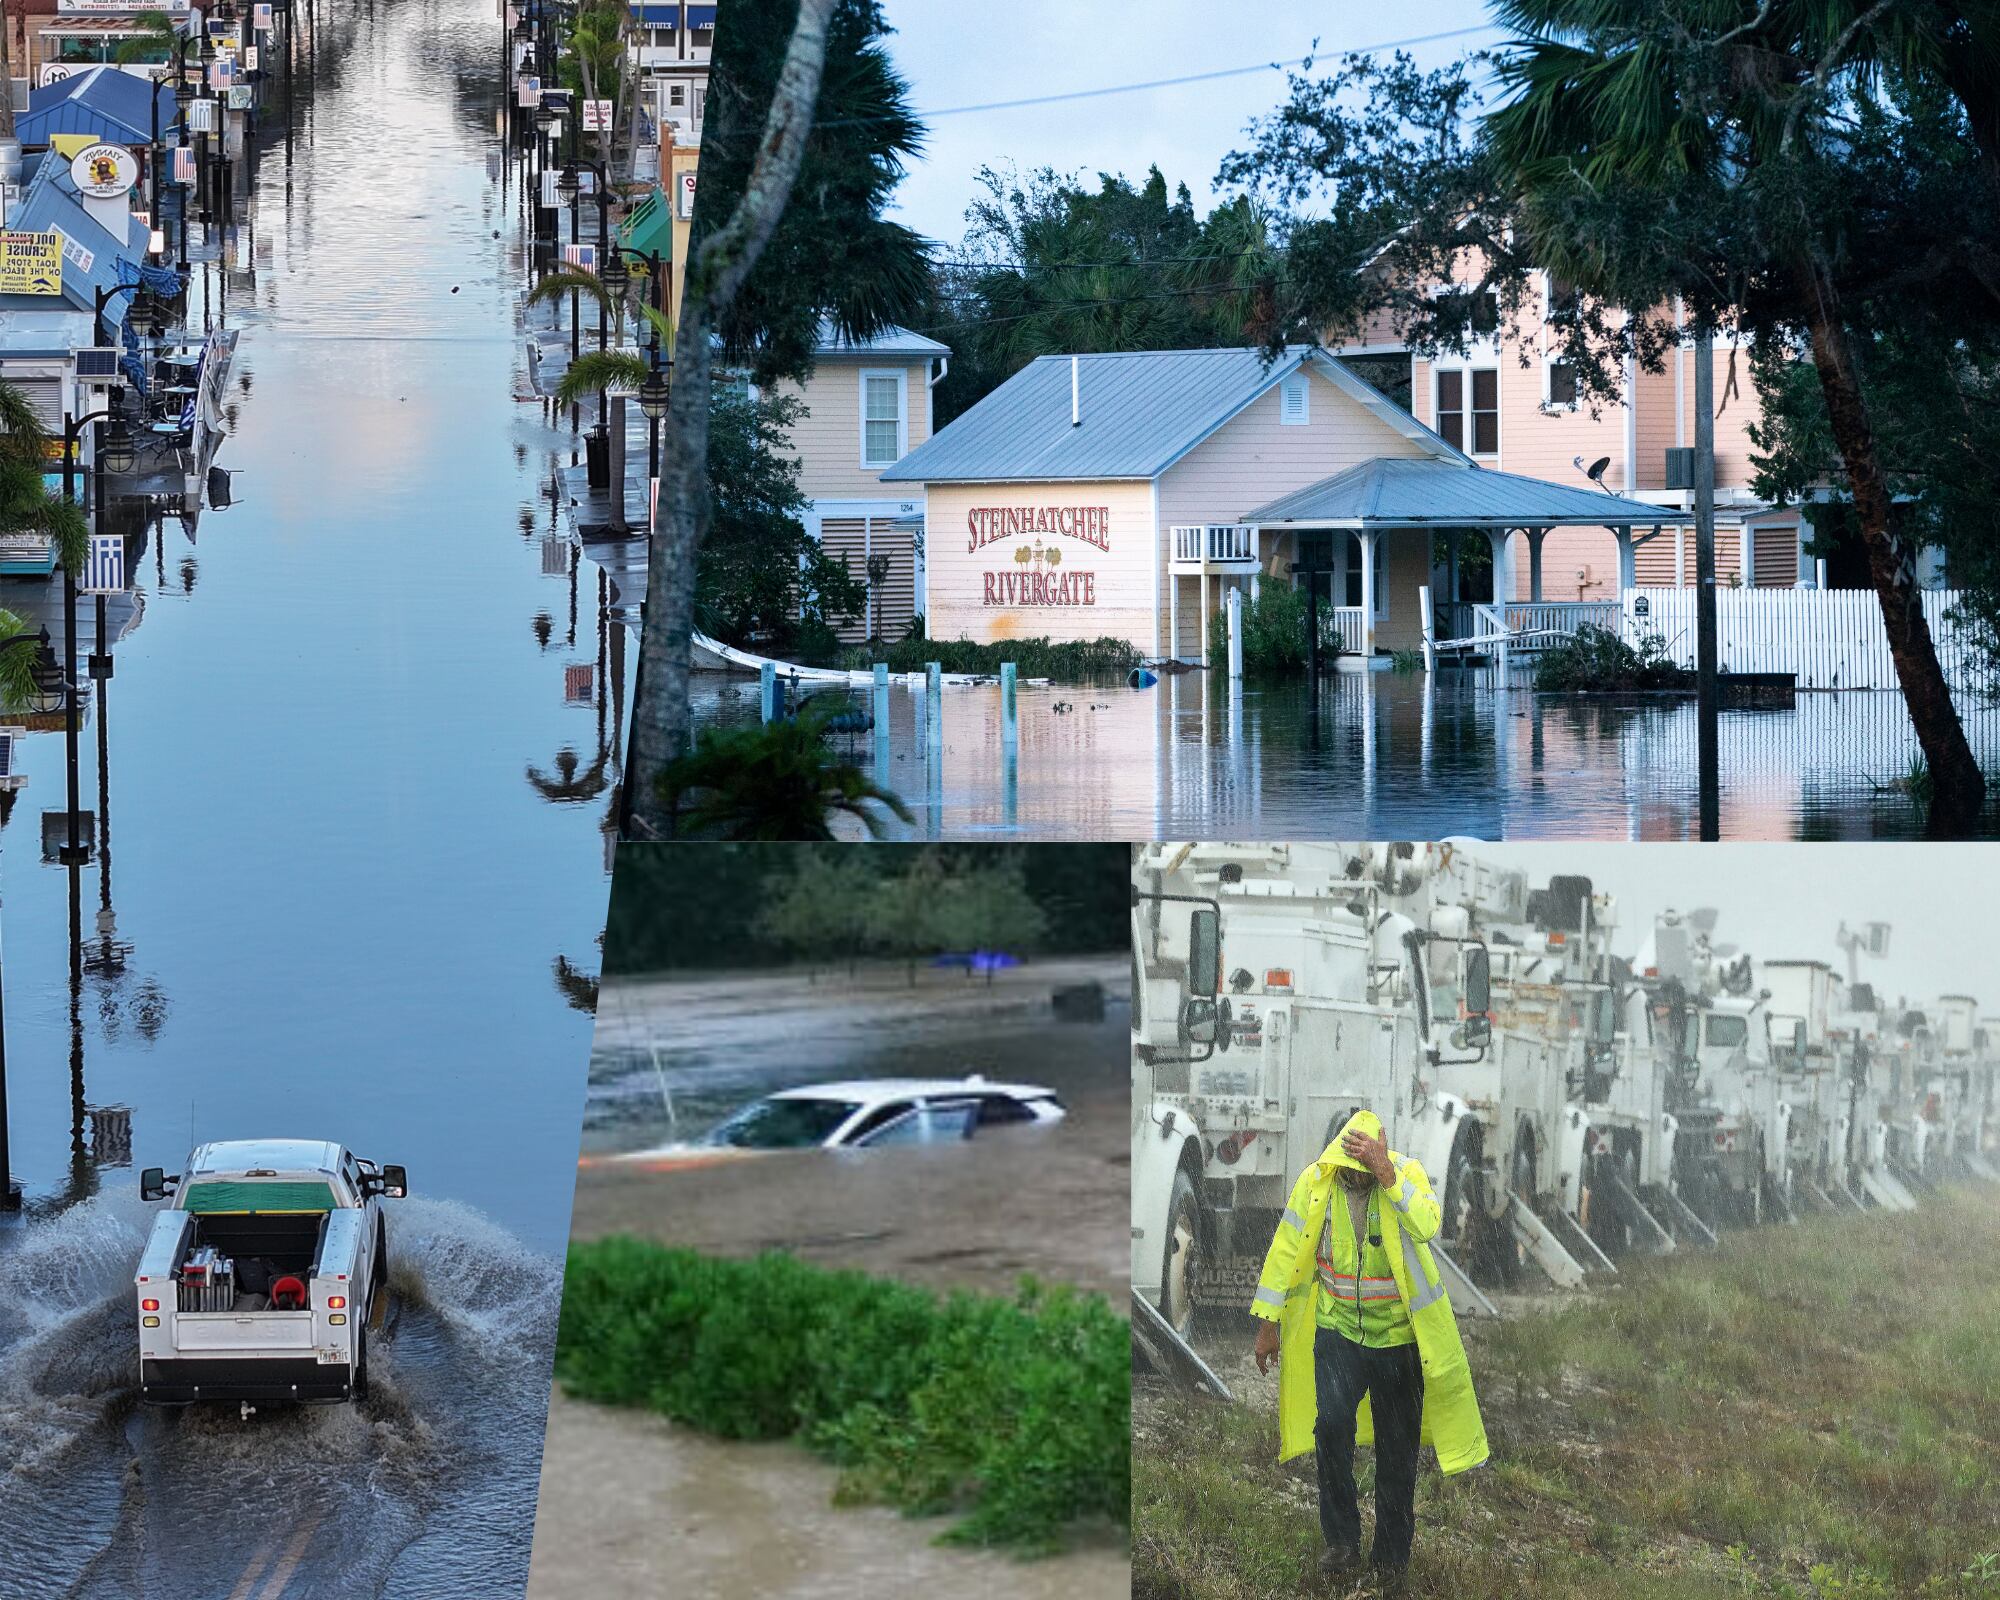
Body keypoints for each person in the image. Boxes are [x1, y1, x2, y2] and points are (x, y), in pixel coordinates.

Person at [1250, 1109, 1488, 1588]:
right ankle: (1341, 1541)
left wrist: (1386, 1173)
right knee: (1331, 1427)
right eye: (1350, 1164)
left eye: (1363, 1164)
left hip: (1398, 1342)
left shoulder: (1405, 1174)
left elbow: (1428, 1224)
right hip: (1338, 1332)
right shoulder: (1316, 1184)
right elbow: (1284, 1250)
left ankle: (1390, 1561)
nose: (1354, 1175)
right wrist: (1267, 1323)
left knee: (1397, 1454)